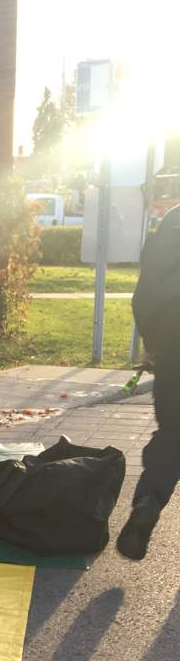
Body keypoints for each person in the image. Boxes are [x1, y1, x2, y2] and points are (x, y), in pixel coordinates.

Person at [117, 205, 180, 559]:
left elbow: (145, 293)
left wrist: (152, 340)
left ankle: (149, 501)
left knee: (173, 431)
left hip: (172, 337)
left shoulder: (172, 222)